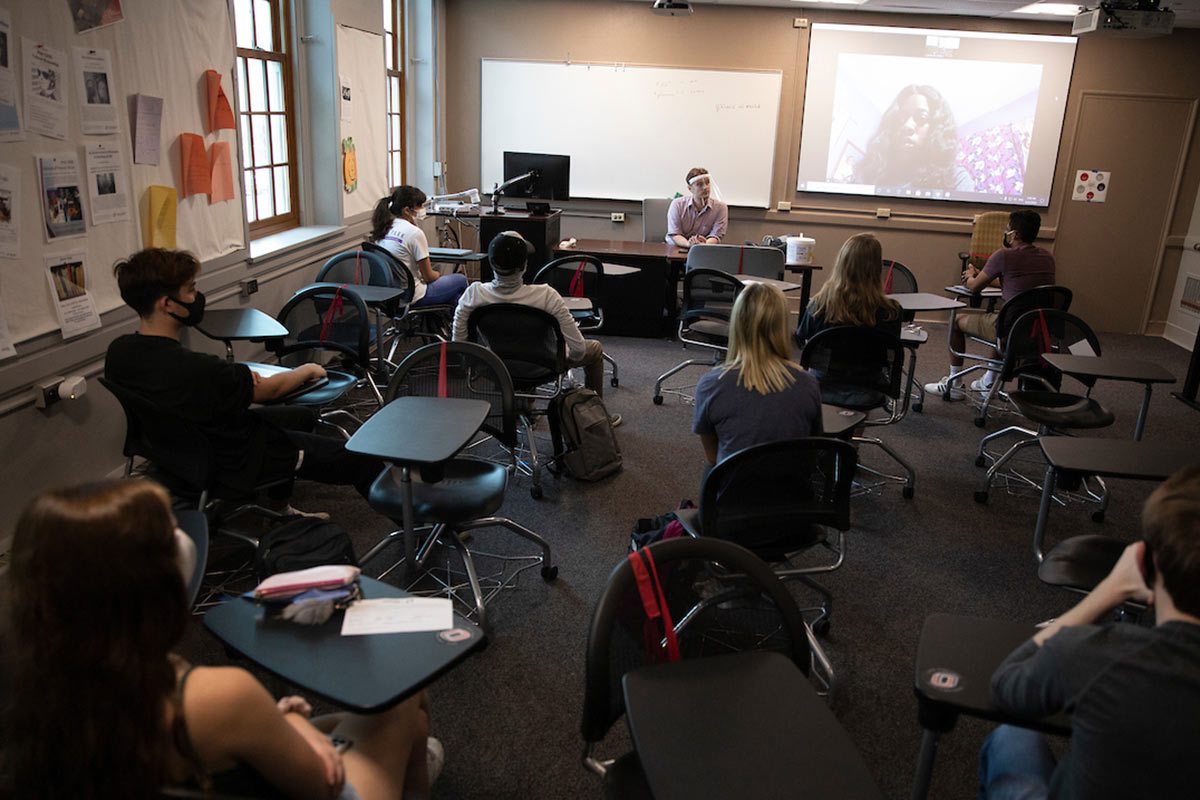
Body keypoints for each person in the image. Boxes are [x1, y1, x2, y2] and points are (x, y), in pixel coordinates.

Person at [1, 479, 440, 799]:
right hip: (316, 786)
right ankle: (406, 764)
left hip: (198, 764)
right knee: (405, 701)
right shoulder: (215, 696)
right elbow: (321, 784)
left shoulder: (35, 688)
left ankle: (407, 763)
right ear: (149, 589)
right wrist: (283, 725)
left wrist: (276, 722)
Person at [980, 464, 1200, 799]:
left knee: (1011, 737)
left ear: (1145, 564)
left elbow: (1007, 687)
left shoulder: (1099, 654)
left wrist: (1109, 590)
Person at [105, 248, 383, 513]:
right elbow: (270, 391)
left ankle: (280, 508)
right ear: (167, 304)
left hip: (177, 451)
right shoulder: (199, 369)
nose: (197, 296)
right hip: (237, 456)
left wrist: (240, 379)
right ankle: (412, 536)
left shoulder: (119, 352)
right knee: (359, 461)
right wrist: (307, 369)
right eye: (190, 289)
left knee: (300, 417)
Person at [451, 230, 620, 426]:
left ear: (491, 263)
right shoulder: (546, 296)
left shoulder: (473, 295)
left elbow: (460, 346)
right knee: (595, 349)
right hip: (543, 366)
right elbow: (579, 350)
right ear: (524, 266)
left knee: (517, 346)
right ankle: (598, 419)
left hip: (495, 366)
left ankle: (526, 408)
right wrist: (563, 357)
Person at [924, 209, 1056, 400]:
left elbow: (974, 288)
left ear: (1015, 234)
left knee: (957, 320)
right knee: (999, 318)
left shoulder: (1004, 255)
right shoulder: (1047, 257)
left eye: (1008, 228)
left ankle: (955, 384)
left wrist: (971, 276)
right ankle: (988, 382)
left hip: (1009, 327)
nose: (1006, 231)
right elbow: (1013, 282)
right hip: (1036, 329)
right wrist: (984, 274)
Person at [693, 282, 823, 468]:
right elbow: (811, 449)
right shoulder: (808, 383)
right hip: (792, 492)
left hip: (735, 491)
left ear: (737, 325)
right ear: (782, 326)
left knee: (710, 471)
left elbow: (713, 456)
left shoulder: (712, 385)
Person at [853, 84, 974, 193]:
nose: (907, 126)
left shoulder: (956, 179)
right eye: (901, 118)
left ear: (936, 128)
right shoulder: (869, 172)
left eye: (921, 118)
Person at [793, 232, 902, 352]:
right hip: (871, 370)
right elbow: (892, 348)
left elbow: (802, 338)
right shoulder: (892, 311)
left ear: (841, 264)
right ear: (878, 268)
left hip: (825, 370)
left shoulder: (820, 305)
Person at [370, 185, 468, 311]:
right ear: (406, 210)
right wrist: (439, 275)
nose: (423, 209)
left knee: (455, 298)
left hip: (389, 296)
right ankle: (461, 327)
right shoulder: (414, 233)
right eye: (420, 205)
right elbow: (428, 277)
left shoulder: (383, 228)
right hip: (413, 296)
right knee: (460, 279)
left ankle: (438, 325)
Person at [666, 167, 728, 248]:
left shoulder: (720, 207)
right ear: (690, 188)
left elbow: (716, 235)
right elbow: (675, 234)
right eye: (700, 184)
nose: (705, 187)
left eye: (707, 183)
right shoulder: (677, 204)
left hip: (704, 250)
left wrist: (703, 245)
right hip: (678, 248)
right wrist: (688, 244)